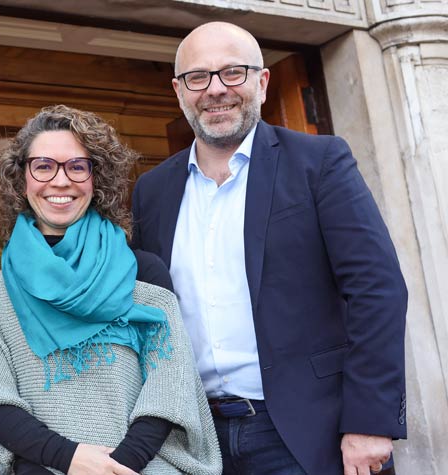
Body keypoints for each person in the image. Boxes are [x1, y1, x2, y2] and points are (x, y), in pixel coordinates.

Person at [131, 21, 408, 475]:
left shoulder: (319, 163)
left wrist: (370, 422)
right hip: (197, 439)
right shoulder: (152, 190)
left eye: (233, 72)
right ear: (179, 91)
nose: (216, 89)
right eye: (198, 77)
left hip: (309, 433)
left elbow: (378, 291)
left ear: (262, 82)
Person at [0, 105, 222, 475]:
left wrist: (116, 467)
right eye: (44, 166)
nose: (61, 181)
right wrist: (68, 459)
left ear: (98, 178)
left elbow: (169, 386)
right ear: (22, 179)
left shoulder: (143, 274)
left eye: (77, 166)